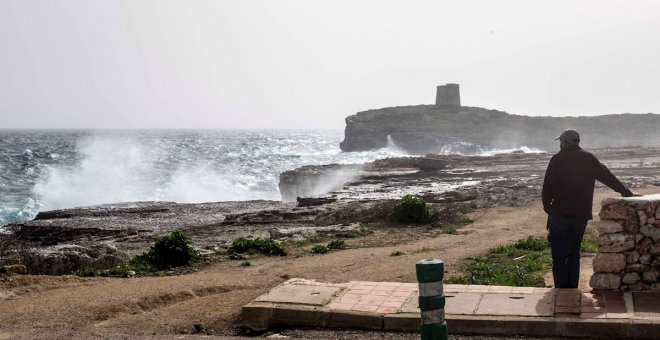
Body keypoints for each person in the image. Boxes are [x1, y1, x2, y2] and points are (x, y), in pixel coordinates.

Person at [542, 129, 634, 288]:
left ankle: (560, 288)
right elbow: (608, 177)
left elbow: (547, 186)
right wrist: (626, 192)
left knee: (558, 254)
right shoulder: (589, 158)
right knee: (574, 253)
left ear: (564, 142)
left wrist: (548, 207)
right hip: (580, 215)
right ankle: (572, 287)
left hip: (559, 214)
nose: (560, 144)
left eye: (560, 142)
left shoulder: (557, 159)